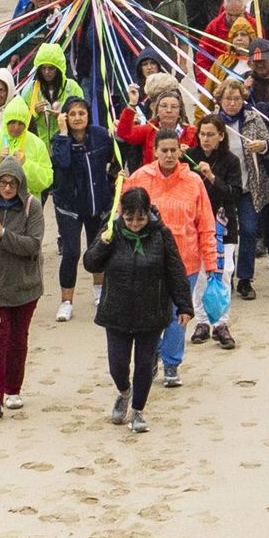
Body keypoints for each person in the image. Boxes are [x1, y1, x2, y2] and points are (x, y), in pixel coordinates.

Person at [84, 184, 195, 433]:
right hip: (116, 311)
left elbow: (175, 270)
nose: (135, 223)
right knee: (117, 366)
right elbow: (90, 264)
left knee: (144, 364)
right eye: (129, 218)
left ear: (149, 213)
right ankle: (124, 392)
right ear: (122, 214)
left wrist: (184, 306)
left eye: (141, 218)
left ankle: (138, 411)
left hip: (151, 312)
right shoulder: (111, 230)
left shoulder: (161, 234)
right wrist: (102, 243)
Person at [123, 127, 219, 387]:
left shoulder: (194, 182)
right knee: (152, 314)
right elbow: (123, 215)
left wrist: (211, 263)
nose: (168, 155)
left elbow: (206, 224)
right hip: (147, 262)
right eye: (163, 150)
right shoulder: (140, 178)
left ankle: (172, 363)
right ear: (154, 151)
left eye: (172, 150)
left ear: (180, 151)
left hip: (185, 262)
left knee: (179, 316)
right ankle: (150, 354)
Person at [0, 157, 49, 418]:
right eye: (2, 182)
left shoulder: (33, 207)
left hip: (24, 286)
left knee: (18, 340)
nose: (7, 188)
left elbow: (32, 245)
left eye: (12, 183)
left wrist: (3, 233)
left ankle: (13, 389)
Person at [49, 97, 118, 321]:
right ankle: (66, 301)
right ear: (65, 117)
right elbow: (62, 162)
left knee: (96, 249)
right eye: (72, 114)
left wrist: (112, 179)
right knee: (71, 252)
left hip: (97, 204)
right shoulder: (59, 139)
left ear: (88, 115)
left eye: (82, 113)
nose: (77, 117)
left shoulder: (100, 135)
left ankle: (99, 291)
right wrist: (62, 133)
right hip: (69, 206)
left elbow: (115, 157)